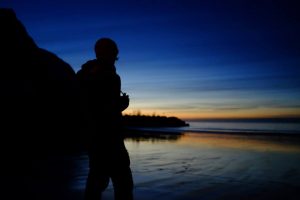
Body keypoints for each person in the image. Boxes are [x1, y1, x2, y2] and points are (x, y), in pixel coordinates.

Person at [76, 38, 133, 200]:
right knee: (121, 183)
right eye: (113, 53)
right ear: (106, 53)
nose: (115, 57)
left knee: (97, 180)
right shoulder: (107, 75)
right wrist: (121, 105)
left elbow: (87, 105)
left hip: (94, 137)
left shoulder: (84, 74)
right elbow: (101, 108)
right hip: (106, 137)